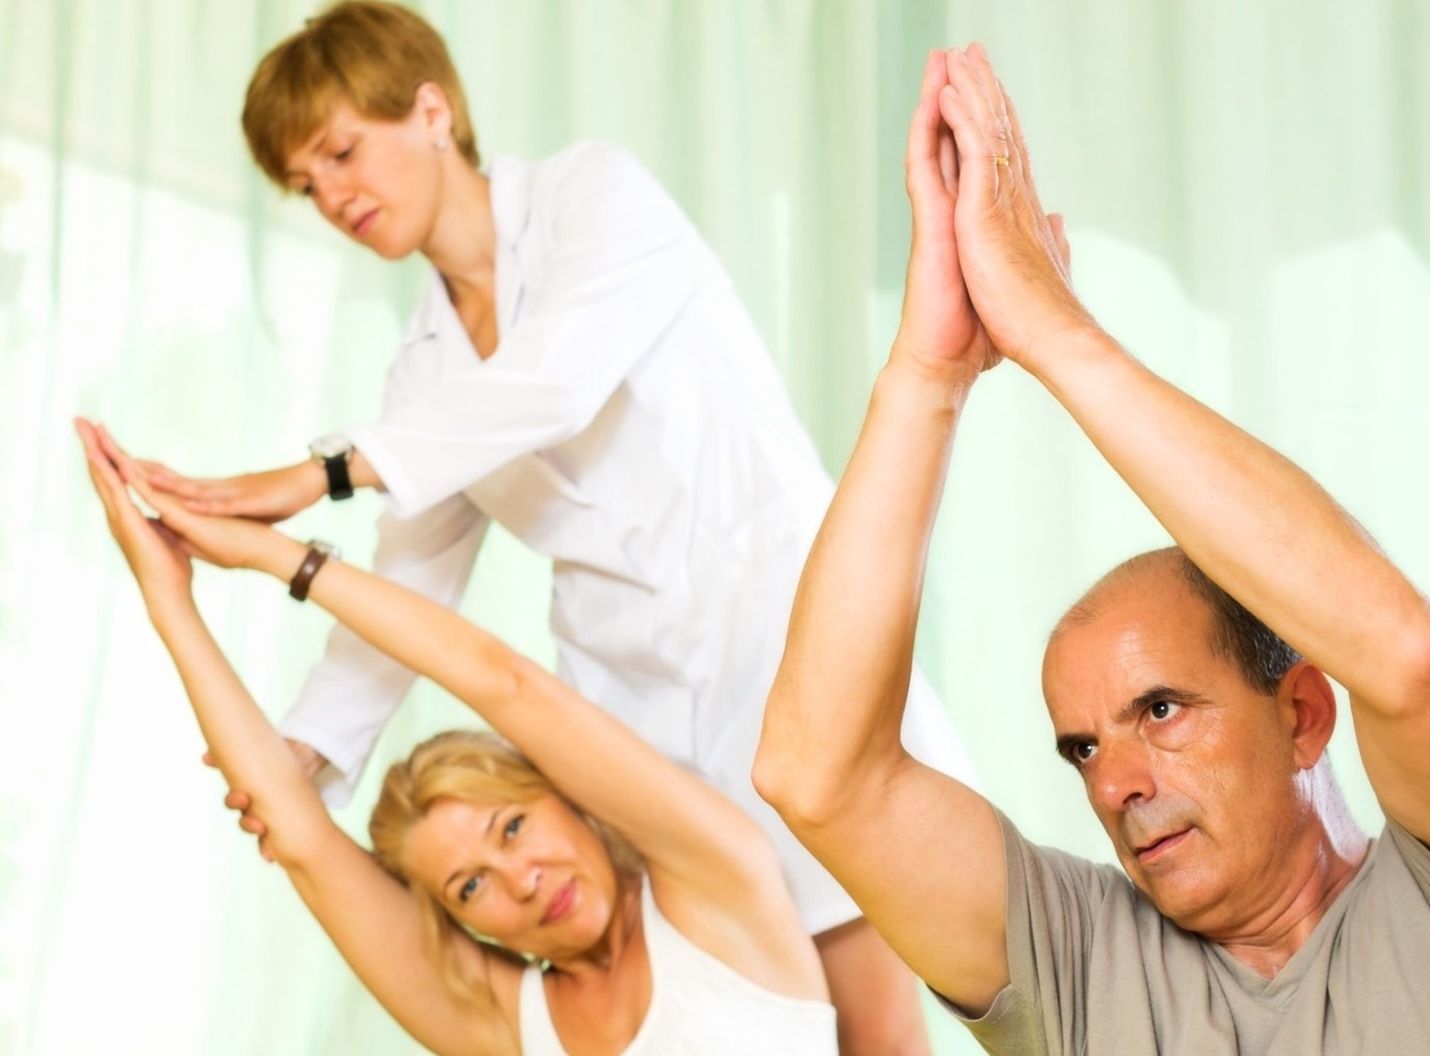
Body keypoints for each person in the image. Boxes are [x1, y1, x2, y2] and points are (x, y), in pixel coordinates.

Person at [140, 5, 969, 1048]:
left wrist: (319, 475)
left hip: (788, 651)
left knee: (872, 1030)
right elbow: (411, 580)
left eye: (342, 151)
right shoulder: (424, 375)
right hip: (631, 728)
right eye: (307, 184)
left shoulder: (593, 195)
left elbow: (558, 382)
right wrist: (302, 757)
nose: (333, 194)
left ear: (432, 110)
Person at [753, 43, 1430, 1055]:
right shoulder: (1078, 964)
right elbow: (817, 775)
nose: (1114, 786)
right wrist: (929, 370)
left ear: (1301, 713)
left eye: (1158, 711)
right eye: (1082, 749)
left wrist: (1055, 332)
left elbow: (1409, 658)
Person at [78, 418, 837, 1055]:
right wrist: (168, 597)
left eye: (512, 827)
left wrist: (274, 554)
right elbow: (302, 844)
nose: (522, 881)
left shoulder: (717, 882)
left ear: (566, 796)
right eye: (469, 887)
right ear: (458, 922)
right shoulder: (509, 1024)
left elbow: (502, 681)